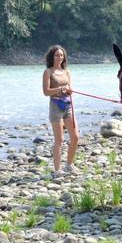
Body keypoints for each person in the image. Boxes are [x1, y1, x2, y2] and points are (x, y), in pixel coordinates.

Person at [42, 45, 79, 174]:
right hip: (55, 106)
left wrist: (69, 91)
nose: (59, 57)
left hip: (68, 106)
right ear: (52, 57)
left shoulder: (67, 72)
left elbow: (70, 89)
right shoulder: (48, 72)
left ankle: (69, 165)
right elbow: (46, 92)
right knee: (60, 140)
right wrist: (60, 89)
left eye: (61, 55)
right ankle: (57, 171)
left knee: (75, 137)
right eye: (57, 55)